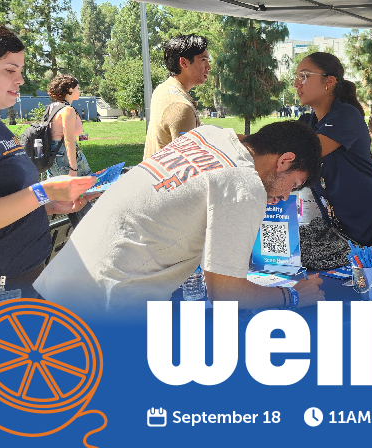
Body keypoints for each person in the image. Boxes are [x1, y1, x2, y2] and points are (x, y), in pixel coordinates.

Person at [34, 121, 325, 314]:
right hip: (102, 309)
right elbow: (225, 294)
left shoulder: (208, 134)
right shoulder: (244, 186)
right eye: (294, 184)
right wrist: (293, 296)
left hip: (60, 283)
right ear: (284, 160)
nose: (287, 196)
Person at [0, 21, 97, 299]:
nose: (20, 79)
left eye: (20, 70)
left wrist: (47, 204)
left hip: (23, 275)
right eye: (10, 70)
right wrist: (41, 193)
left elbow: (2, 197)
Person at [294, 51, 372, 255]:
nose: (296, 84)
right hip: (344, 228)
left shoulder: (346, 115)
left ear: (329, 81)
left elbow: (308, 151)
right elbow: (273, 143)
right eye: (296, 77)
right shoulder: (308, 123)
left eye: (304, 76)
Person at [143, 34, 210, 159]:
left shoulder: (164, 89)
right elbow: (189, 165)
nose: (208, 67)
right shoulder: (180, 106)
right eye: (203, 60)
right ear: (183, 62)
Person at [46, 74, 92, 177]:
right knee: (86, 187)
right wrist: (73, 168)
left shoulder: (52, 107)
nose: (79, 91)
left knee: (62, 191)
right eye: (78, 88)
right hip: (64, 155)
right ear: (70, 90)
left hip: (53, 155)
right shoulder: (67, 110)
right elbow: (69, 140)